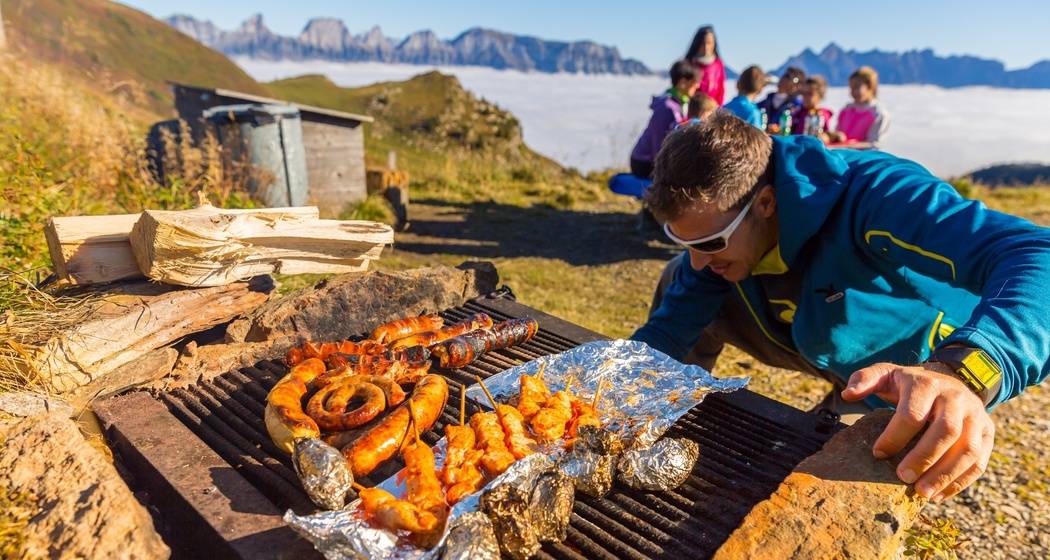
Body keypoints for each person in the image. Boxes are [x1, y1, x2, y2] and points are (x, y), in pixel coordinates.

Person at [632, 111, 1050, 503]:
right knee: (676, 276)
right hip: (813, 335)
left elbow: (1037, 254)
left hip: (904, 371)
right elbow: (670, 328)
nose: (698, 259)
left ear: (766, 202)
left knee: (817, 480)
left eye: (709, 242)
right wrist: (622, 388)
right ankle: (666, 416)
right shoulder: (718, 233)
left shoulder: (876, 192)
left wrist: (964, 371)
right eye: (683, 241)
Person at [629, 59, 700, 180]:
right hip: (644, 162)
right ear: (683, 82)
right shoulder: (666, 107)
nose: (697, 86)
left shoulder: (679, 103)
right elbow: (659, 142)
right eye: (694, 82)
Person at [827, 66, 892, 149]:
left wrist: (848, 146)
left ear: (870, 86)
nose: (852, 92)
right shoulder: (847, 109)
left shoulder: (878, 114)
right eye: (851, 88)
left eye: (856, 87)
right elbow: (838, 133)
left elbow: (874, 144)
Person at [684, 26, 725, 105]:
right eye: (703, 43)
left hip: (713, 109)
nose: (706, 47)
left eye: (709, 43)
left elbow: (721, 92)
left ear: (714, 44)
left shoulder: (718, 65)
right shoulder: (689, 64)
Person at [757, 66, 805, 134]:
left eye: (788, 77)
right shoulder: (767, 101)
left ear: (797, 86)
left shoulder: (798, 107)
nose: (783, 78)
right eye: (784, 75)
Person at [790, 75, 833, 140]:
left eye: (809, 93)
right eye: (803, 93)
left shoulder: (822, 114)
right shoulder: (798, 113)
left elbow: (826, 134)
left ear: (821, 94)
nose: (805, 96)